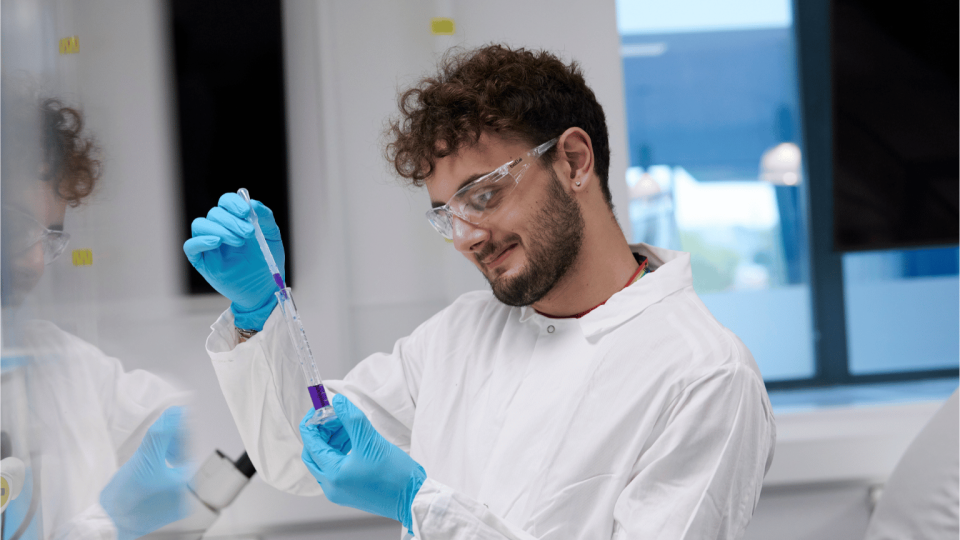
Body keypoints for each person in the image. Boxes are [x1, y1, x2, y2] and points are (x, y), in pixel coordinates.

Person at [185, 45, 776, 539]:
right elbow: (299, 456)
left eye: (484, 195)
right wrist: (261, 311)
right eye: (445, 214)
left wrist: (423, 504)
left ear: (573, 161)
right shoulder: (462, 333)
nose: (465, 236)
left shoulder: (704, 376)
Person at [1, 96, 192, 540]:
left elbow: (180, 419)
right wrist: (111, 523)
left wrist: (250, 323)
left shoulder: (57, 359)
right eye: (15, 229)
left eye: (48, 238)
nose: (36, 263)